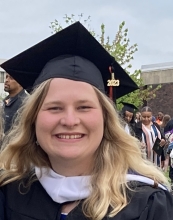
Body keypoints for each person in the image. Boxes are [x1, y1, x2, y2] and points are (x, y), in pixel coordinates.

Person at [0, 22, 173, 220]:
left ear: (106, 120)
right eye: (54, 107)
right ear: (33, 119)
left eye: (84, 107)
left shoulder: (148, 204)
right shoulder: (9, 194)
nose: (70, 120)